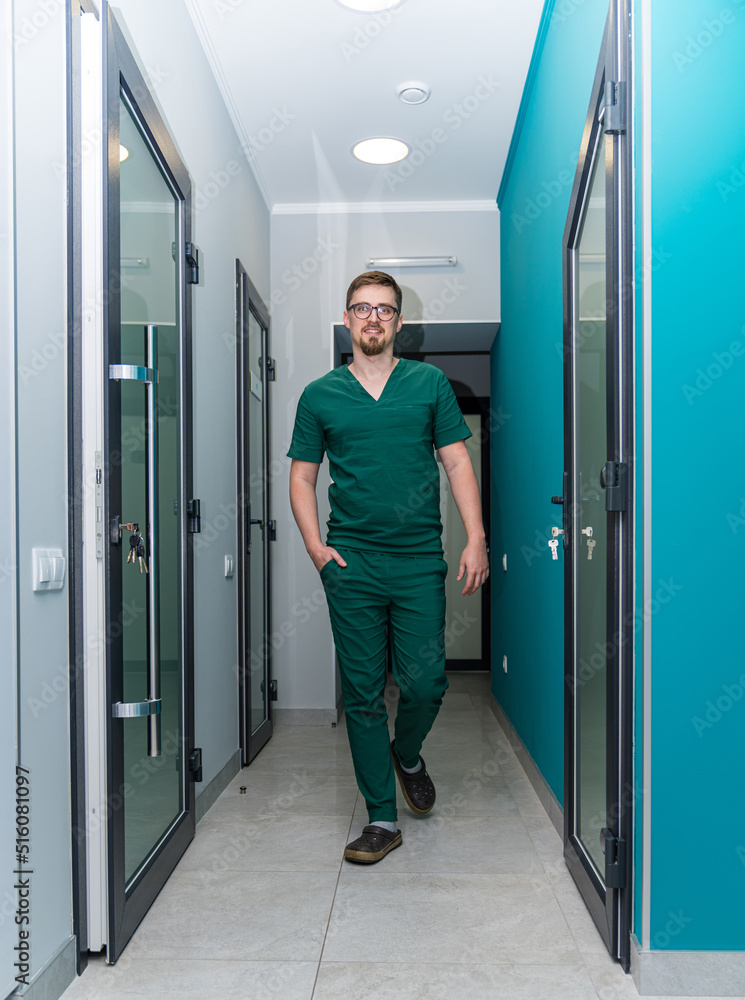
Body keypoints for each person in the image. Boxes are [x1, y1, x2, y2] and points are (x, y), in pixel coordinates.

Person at [288, 271, 489, 864]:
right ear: (347, 320)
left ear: (399, 322)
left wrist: (475, 538)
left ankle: (407, 754)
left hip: (418, 562)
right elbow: (302, 476)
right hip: (351, 563)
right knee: (362, 692)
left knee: (426, 683)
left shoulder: (429, 384)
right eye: (361, 308)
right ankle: (381, 817)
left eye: (384, 309)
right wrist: (316, 549)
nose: (372, 318)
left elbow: (457, 464)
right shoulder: (320, 394)